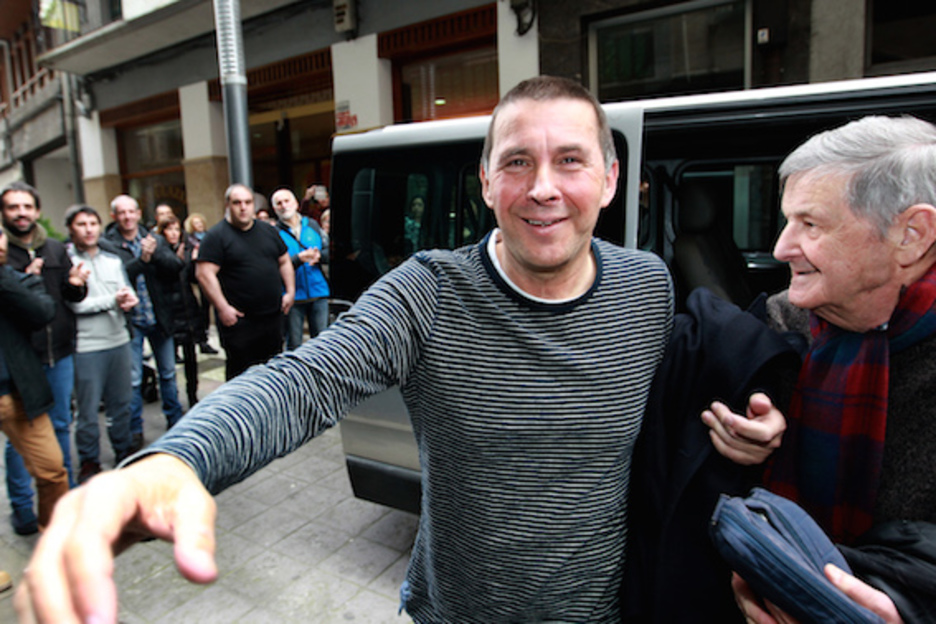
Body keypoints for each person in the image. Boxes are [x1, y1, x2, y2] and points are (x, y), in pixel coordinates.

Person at [20, 76, 681, 623]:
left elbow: (675, 425)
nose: (543, 187)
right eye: (517, 161)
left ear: (610, 178)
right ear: (484, 181)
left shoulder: (648, 289)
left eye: (570, 160)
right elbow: (305, 380)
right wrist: (175, 460)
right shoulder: (432, 292)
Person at [722, 115, 936, 624]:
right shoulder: (779, 326)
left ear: (912, 234)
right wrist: (745, 429)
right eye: (786, 221)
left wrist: (908, 610)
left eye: (810, 224)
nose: (781, 248)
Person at [1, 181, 87, 535]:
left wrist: (77, 284)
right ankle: (23, 509)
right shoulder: (5, 256)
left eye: (27, 206)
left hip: (59, 352)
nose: (21, 213)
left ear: (37, 211)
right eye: (13, 207)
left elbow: (68, 296)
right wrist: (23, 283)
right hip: (23, 361)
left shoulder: (54, 248)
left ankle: (63, 502)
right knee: (19, 442)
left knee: (61, 425)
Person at [0, 226, 70, 532]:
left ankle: (54, 539)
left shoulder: (14, 279)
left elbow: (43, 311)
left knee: (52, 470)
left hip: (18, 394)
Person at [65, 205, 139, 482]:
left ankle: (123, 450)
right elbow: (75, 305)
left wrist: (130, 299)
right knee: (87, 410)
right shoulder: (67, 261)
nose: (89, 229)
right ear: (71, 229)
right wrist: (113, 301)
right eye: (81, 224)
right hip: (86, 347)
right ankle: (89, 460)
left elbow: (124, 290)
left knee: (122, 403)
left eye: (93, 223)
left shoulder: (113, 260)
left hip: (118, 341)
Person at [105, 195, 185, 450]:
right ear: (114, 216)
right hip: (131, 321)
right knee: (133, 379)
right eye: (122, 212)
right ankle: (135, 430)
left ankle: (175, 421)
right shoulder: (108, 245)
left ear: (138, 214)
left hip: (158, 316)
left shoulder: (154, 239)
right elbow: (117, 277)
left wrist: (155, 254)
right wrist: (142, 260)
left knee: (168, 373)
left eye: (131, 211)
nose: (127, 217)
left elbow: (175, 267)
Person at [195, 184, 295, 380]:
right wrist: (223, 308)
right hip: (240, 323)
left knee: (272, 375)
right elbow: (204, 274)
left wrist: (290, 291)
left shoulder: (268, 231)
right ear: (227, 205)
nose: (243, 207)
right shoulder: (216, 236)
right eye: (237, 203)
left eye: (248, 202)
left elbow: (284, 261)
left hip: (272, 319)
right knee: (241, 379)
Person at [271, 188, 329, 350]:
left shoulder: (312, 225)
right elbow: (273, 266)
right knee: (294, 345)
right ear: (275, 209)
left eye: (287, 201)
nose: (284, 206)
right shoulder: (273, 233)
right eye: (279, 203)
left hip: (318, 292)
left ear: (296, 203)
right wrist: (298, 260)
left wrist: (319, 256)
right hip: (292, 298)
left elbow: (329, 252)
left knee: (323, 343)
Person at [156, 216, 203, 408]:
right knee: (168, 362)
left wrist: (194, 262)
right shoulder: (160, 253)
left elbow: (193, 279)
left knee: (191, 357)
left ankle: (193, 396)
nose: (174, 233)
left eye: (177, 229)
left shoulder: (186, 249)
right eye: (169, 229)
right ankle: (172, 401)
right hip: (169, 311)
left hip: (187, 309)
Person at [183, 212, 217, 355]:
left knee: (207, 308)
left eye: (200, 222)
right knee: (197, 310)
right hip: (193, 279)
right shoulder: (188, 240)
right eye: (196, 223)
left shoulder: (209, 237)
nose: (199, 225)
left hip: (209, 277)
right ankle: (200, 338)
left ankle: (205, 337)